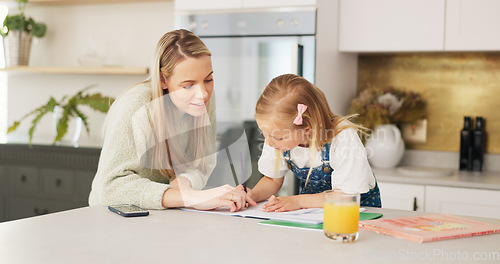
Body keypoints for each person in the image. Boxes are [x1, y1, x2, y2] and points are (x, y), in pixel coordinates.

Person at [89, 29, 256, 212]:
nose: (202, 94)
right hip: (112, 217)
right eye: (188, 85)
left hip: (161, 217)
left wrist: (184, 182)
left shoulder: (206, 97)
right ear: (163, 80)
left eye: (208, 79)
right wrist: (191, 197)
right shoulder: (136, 106)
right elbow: (109, 188)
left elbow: (203, 163)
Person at [245, 73, 381, 212]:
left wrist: (297, 201)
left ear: (307, 129)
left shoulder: (342, 137)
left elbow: (346, 196)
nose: (268, 142)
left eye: (278, 138)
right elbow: (272, 180)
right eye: (264, 133)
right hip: (314, 212)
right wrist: (251, 196)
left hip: (355, 213)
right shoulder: (276, 138)